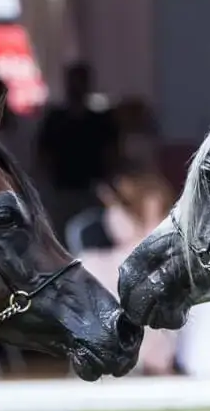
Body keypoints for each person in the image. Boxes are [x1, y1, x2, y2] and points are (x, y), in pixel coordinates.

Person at [80, 162, 178, 375]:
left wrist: (116, 207)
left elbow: (151, 237)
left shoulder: (151, 198)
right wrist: (114, 205)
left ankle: (150, 355)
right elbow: (121, 235)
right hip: (123, 254)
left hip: (149, 256)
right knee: (88, 266)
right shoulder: (119, 206)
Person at [36, 62, 119, 229]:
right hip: (61, 188)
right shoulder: (55, 119)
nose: (76, 87)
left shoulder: (100, 120)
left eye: (80, 82)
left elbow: (112, 153)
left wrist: (109, 183)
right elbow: (43, 153)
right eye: (73, 82)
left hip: (93, 188)